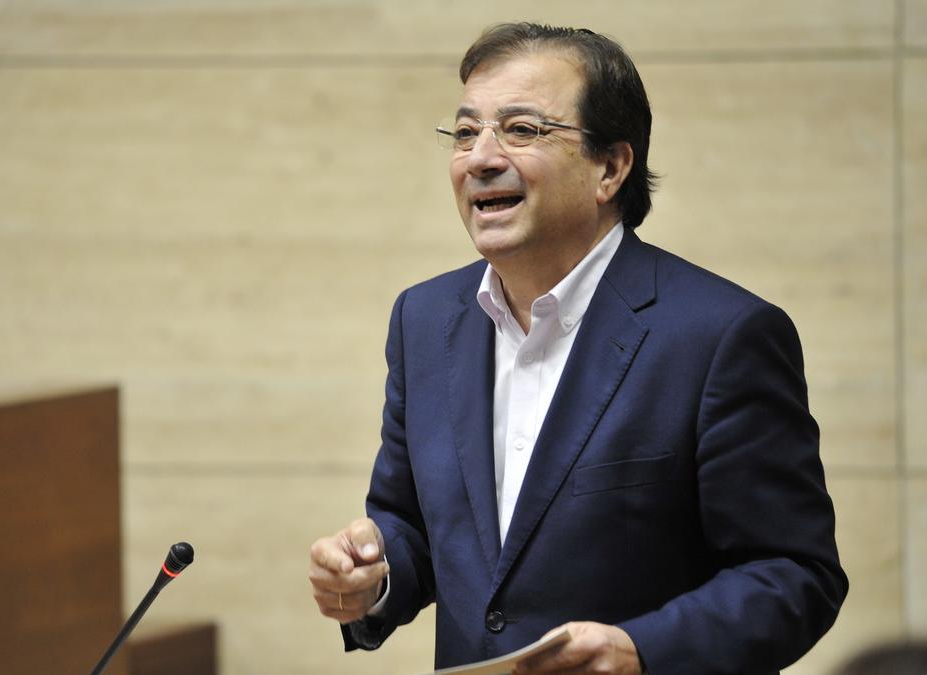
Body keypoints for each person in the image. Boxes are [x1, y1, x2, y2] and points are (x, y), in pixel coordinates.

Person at [308, 22, 847, 675]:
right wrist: (374, 570)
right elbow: (414, 523)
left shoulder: (720, 336)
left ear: (611, 167)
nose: (480, 157)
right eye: (466, 131)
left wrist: (645, 650)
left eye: (522, 130)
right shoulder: (423, 319)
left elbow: (795, 572)